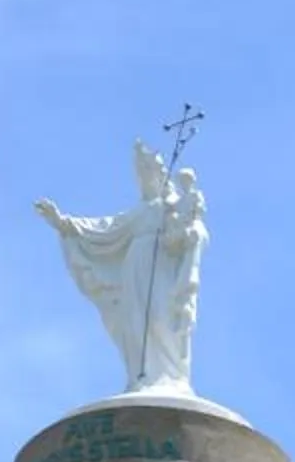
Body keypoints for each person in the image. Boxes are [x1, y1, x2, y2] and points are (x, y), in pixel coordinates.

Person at [35, 141, 206, 390]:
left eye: (149, 173)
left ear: (159, 175)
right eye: (142, 175)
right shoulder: (140, 212)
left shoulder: (171, 206)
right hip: (136, 268)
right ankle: (141, 376)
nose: (145, 179)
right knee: (136, 322)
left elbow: (188, 233)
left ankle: (168, 376)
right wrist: (63, 222)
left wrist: (186, 223)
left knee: (160, 317)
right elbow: (106, 228)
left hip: (161, 267)